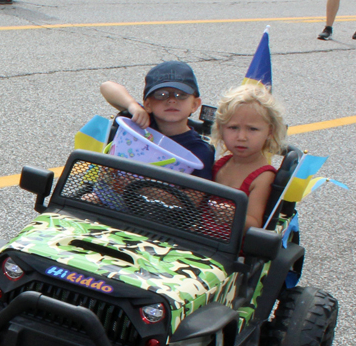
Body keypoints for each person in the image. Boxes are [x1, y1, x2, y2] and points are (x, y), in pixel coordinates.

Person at [100, 61, 214, 179]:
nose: (171, 100)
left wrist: (138, 187)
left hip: (154, 195)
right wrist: (133, 106)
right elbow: (107, 86)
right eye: (161, 94)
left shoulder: (198, 149)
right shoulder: (141, 121)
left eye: (181, 95)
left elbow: (196, 196)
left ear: (195, 104)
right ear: (148, 104)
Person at [210, 84, 287, 231]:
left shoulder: (263, 176)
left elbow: (254, 223)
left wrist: (232, 215)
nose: (241, 137)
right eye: (233, 128)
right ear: (221, 129)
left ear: (270, 132)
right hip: (202, 236)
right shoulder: (221, 164)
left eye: (252, 129)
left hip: (232, 247)